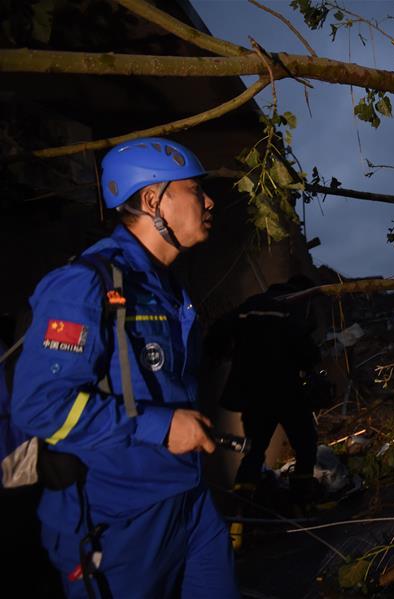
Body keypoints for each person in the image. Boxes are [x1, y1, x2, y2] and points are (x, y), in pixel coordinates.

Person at [11, 137, 239, 598]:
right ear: (153, 200)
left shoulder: (166, 287)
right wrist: (160, 427)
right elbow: (39, 407)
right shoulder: (84, 285)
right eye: (195, 189)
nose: (210, 200)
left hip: (189, 502)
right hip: (120, 518)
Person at [218, 275, 331, 506]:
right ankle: (302, 502)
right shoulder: (290, 306)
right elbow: (304, 351)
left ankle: (241, 512)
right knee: (305, 445)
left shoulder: (251, 305)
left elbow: (220, 333)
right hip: (285, 390)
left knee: (254, 450)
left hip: (254, 394)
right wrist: (312, 362)